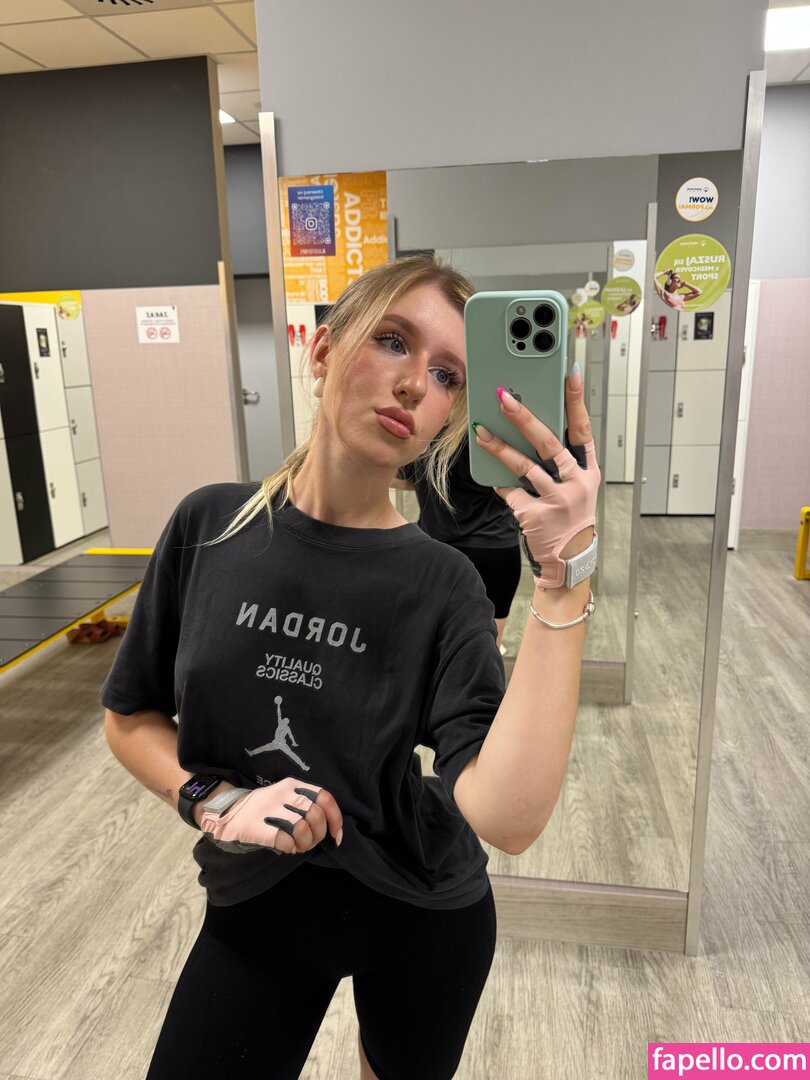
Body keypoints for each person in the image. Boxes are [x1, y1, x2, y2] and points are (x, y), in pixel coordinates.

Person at [102, 256, 600, 1080]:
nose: (413, 384)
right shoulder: (210, 526)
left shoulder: (443, 582)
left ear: (448, 416)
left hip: (423, 912)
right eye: (393, 341)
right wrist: (218, 802)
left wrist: (562, 574)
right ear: (324, 349)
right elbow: (130, 717)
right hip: (255, 905)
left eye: (446, 376)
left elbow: (507, 817)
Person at [392, 435, 521, 650]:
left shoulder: (430, 430)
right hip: (491, 547)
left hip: (456, 548)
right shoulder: (490, 428)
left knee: (432, 643)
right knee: (485, 647)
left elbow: (408, 478)